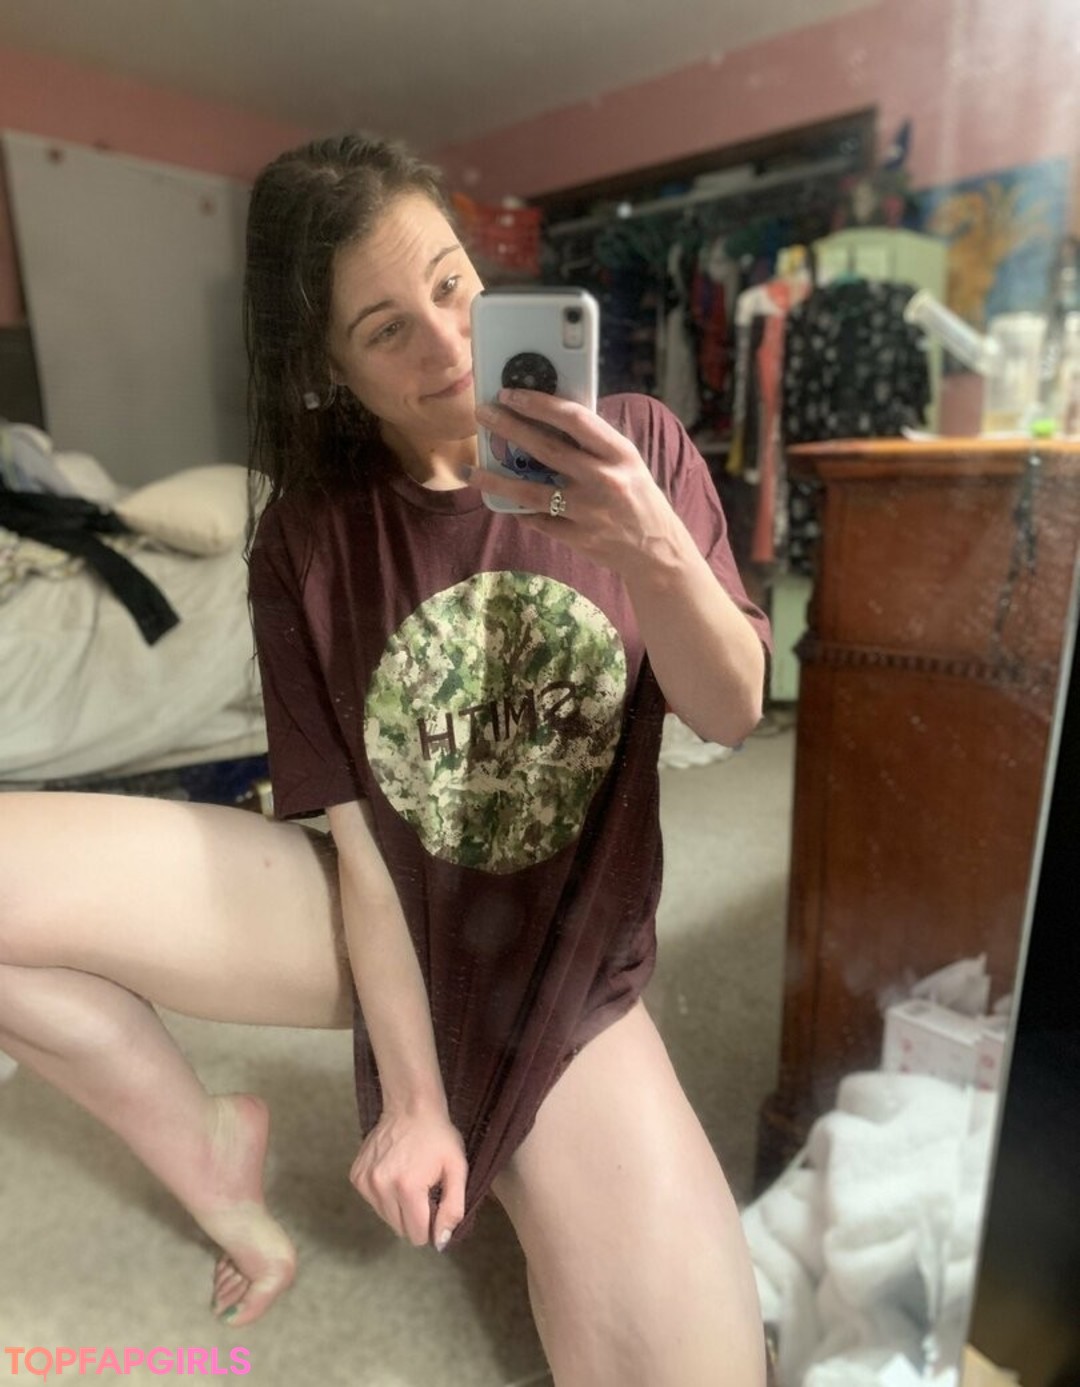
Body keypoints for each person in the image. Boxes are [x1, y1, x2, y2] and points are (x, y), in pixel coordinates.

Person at [0, 132, 770, 1387]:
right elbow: (360, 849)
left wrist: (649, 546)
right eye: (386, 328)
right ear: (328, 367)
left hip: (555, 949)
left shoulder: (632, 443)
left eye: (453, 284)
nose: (449, 343)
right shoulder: (303, 541)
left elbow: (732, 713)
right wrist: (412, 1096)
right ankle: (215, 1156)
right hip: (386, 911)